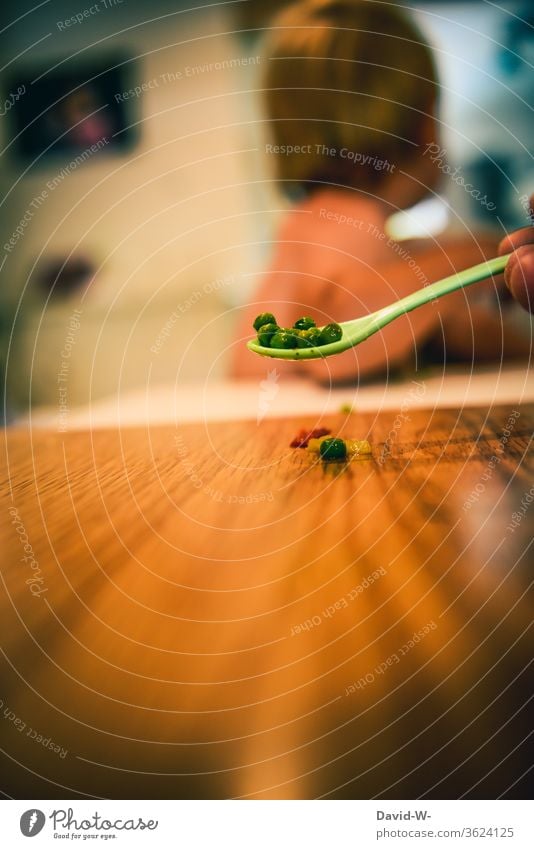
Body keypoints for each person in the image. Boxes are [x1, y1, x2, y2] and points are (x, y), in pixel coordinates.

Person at [232, 0, 531, 382]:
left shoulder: (324, 223)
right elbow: (337, 336)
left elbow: (414, 322)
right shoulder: (341, 219)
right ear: (424, 121)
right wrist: (485, 255)